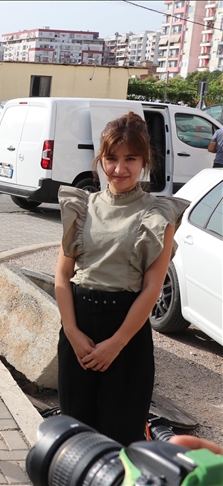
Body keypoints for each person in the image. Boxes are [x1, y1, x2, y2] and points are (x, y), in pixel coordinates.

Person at [55, 112, 189, 447]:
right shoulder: (82, 206)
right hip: (78, 333)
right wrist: (72, 332)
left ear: (145, 161)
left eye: (130, 158)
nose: (119, 169)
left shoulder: (158, 213)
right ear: (100, 160)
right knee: (75, 439)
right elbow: (61, 275)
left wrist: (115, 344)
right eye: (111, 158)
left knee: (120, 438)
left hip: (126, 338)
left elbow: (152, 288)